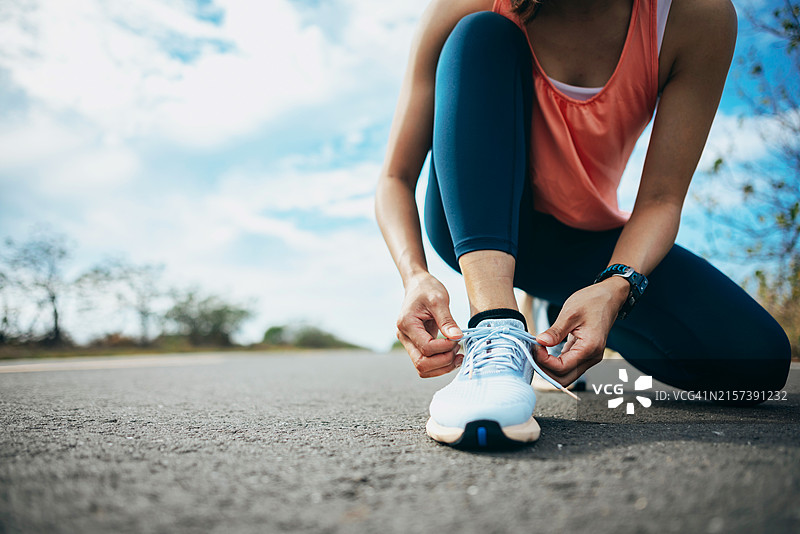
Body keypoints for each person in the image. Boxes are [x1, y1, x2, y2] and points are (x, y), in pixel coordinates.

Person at [374, 0, 791, 448]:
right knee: (482, 32)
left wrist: (614, 290)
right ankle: (497, 330)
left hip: (583, 243)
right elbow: (395, 178)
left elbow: (661, 199)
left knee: (757, 362)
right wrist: (414, 275)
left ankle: (565, 316)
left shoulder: (694, 17)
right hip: (476, 221)